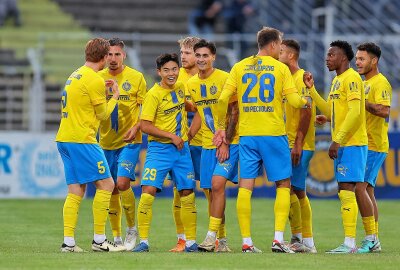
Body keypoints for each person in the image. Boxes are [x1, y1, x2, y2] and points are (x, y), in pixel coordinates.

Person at [214, 26, 308, 253]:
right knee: (283, 185)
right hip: (274, 135)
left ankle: (246, 242)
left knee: (245, 188)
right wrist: (307, 98)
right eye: (281, 43)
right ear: (274, 45)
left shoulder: (239, 67)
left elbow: (222, 99)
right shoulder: (280, 69)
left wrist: (220, 128)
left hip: (247, 136)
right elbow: (295, 102)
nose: (281, 48)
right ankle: (277, 239)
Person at [56, 38, 126, 253]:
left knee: (76, 189)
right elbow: (104, 115)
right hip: (82, 139)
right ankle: (99, 240)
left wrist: (101, 93)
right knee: (107, 185)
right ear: (104, 57)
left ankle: (68, 242)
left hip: (64, 138)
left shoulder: (75, 74)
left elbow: (85, 102)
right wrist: (114, 96)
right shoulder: (94, 79)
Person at [303, 40, 369, 253]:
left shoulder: (351, 79)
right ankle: (352, 241)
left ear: (342, 58)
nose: (327, 58)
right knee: (345, 189)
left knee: (348, 189)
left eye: (331, 55)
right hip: (345, 143)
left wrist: (337, 139)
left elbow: (355, 112)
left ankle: (350, 243)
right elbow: (332, 112)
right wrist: (312, 91)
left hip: (352, 143)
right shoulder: (338, 81)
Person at [132, 53, 198, 252]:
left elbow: (188, 106)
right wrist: (171, 136)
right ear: (159, 72)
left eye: (174, 69)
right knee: (148, 192)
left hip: (181, 150)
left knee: (187, 192)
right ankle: (143, 242)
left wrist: (190, 109)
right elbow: (145, 125)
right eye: (166, 70)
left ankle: (191, 242)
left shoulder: (180, 87)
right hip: (159, 150)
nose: (171, 73)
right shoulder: (153, 94)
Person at [186, 39, 238, 253]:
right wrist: (189, 136)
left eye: (205, 55)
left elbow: (234, 111)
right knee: (210, 191)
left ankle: (210, 237)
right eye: (198, 56)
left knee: (217, 185)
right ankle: (222, 240)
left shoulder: (225, 79)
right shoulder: (191, 84)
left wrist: (226, 140)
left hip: (230, 142)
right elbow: (200, 112)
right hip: (207, 144)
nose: (201, 59)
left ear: (213, 57)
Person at [98, 38, 147, 251]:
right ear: (104, 56)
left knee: (122, 183)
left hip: (130, 142)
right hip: (105, 142)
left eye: (117, 54)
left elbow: (145, 110)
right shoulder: (98, 79)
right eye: (109, 54)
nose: (113, 58)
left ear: (124, 56)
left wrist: (136, 128)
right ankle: (116, 237)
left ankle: (131, 228)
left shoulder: (136, 78)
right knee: (112, 190)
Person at [279, 39, 317, 253]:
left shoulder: (301, 79)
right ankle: (299, 237)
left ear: (291, 56)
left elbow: (306, 111)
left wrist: (298, 143)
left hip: (300, 143)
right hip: (291, 141)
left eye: (282, 52)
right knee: (294, 189)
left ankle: (307, 241)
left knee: (297, 190)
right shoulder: (287, 77)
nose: (278, 54)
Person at [355, 42, 391, 253]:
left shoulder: (380, 82)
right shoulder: (364, 82)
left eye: (362, 59)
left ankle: (372, 239)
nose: (358, 62)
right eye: (357, 58)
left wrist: (363, 102)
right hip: (365, 142)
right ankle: (373, 238)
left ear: (374, 60)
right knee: (367, 189)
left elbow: (384, 111)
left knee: (360, 188)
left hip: (374, 143)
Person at [169, 36, 202, 253]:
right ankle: (182, 239)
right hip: (182, 145)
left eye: (187, 52)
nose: (182, 56)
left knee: (212, 190)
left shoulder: (205, 76)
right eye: (181, 52)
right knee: (179, 193)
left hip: (204, 142)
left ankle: (218, 238)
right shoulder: (174, 77)